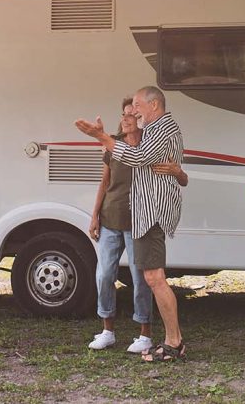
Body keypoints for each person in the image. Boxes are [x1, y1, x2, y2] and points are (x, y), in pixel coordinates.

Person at [76, 86, 187, 363]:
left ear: (153, 105)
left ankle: (174, 342)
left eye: (137, 105)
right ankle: (172, 341)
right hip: (146, 214)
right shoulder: (157, 127)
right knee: (153, 278)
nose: (133, 111)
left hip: (150, 214)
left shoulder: (160, 129)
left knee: (154, 279)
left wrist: (101, 136)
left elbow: (137, 157)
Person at [82, 97, 154, 353]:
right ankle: (107, 331)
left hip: (138, 223)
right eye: (123, 114)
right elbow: (104, 183)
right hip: (110, 220)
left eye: (131, 115)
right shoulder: (113, 146)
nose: (125, 118)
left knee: (140, 278)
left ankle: (144, 333)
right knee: (104, 275)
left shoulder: (149, 145)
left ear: (140, 119)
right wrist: (94, 215)